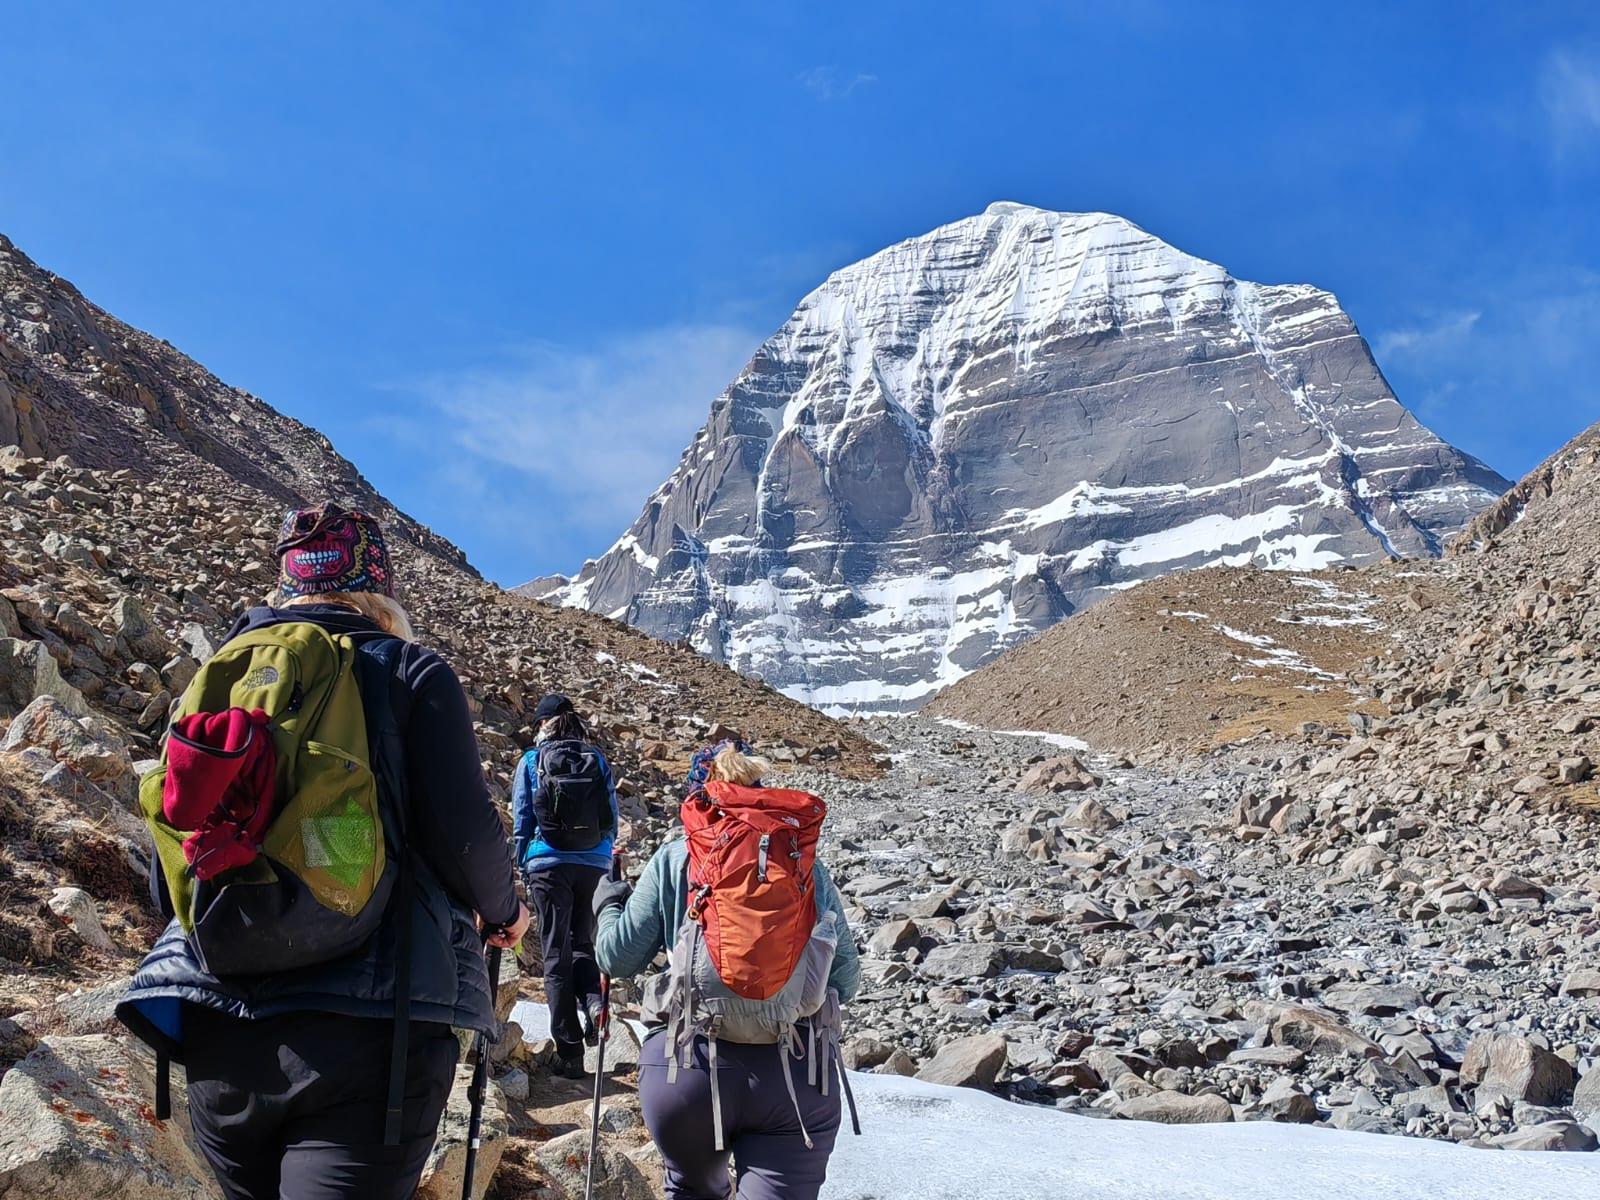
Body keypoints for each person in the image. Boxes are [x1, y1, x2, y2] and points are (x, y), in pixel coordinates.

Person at [118, 501, 530, 1200]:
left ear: (287, 582)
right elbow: (465, 836)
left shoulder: (221, 679)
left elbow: (170, 874)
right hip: (371, 1035)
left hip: (220, 1022)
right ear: (380, 586)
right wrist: (506, 912)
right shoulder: (408, 673)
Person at [594, 741, 860, 1200]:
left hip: (686, 1070)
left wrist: (607, 906)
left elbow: (617, 957)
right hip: (793, 1074)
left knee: (692, 1189)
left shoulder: (676, 857)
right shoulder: (802, 863)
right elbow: (845, 981)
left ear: (699, 799)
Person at [510, 692, 619, 1079]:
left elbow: (522, 817)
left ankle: (569, 1052)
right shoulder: (597, 759)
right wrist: (604, 859)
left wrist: (524, 864)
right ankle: (594, 1003)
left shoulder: (531, 760)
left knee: (556, 953)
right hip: (593, 863)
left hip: (548, 863)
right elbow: (611, 818)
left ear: (543, 724)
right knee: (583, 944)